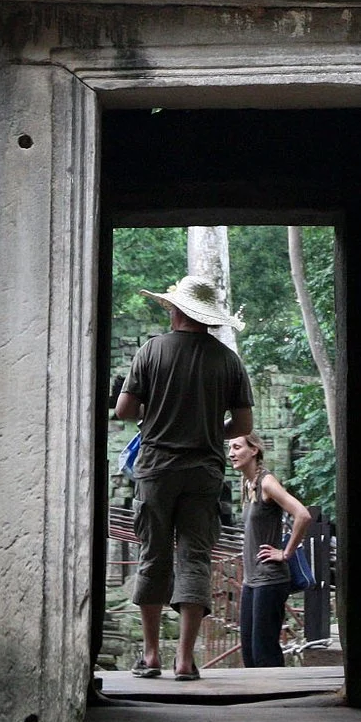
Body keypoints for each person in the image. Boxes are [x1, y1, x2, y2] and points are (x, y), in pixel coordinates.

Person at [113, 275, 253, 680]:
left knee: (153, 555)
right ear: (208, 318)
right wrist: (208, 429)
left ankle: (152, 655)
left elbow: (124, 411)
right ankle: (186, 660)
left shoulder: (151, 351)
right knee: (194, 558)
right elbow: (243, 422)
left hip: (156, 469)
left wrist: (158, 417)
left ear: (175, 311)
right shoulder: (228, 360)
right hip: (205, 472)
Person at [229, 432, 312, 668]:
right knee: (249, 651)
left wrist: (285, 553)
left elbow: (302, 515)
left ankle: (278, 701)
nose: (231, 453)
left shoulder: (266, 482)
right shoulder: (247, 483)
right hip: (251, 580)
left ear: (253, 450)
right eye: (230, 448)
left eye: (236, 447)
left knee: (264, 652)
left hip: (270, 579)